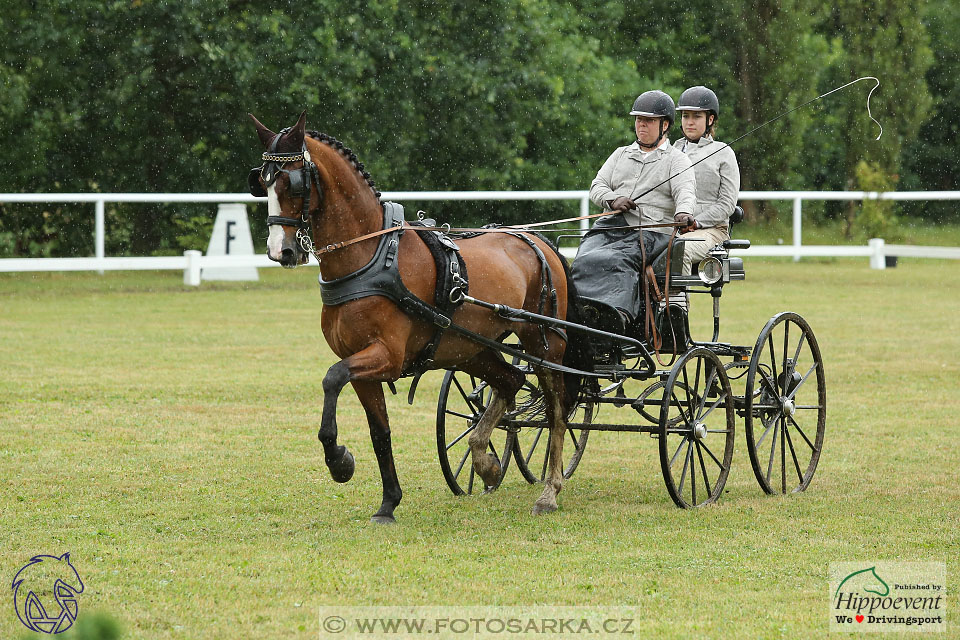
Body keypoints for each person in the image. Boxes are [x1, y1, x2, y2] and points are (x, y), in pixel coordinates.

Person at [571, 90, 697, 326]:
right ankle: (580, 311)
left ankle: (618, 315)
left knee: (617, 259)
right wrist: (612, 199)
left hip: (651, 232)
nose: (641, 125)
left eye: (648, 121)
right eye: (639, 120)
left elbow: (686, 192)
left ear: (665, 125)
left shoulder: (677, 160)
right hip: (611, 226)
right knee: (584, 258)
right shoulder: (620, 154)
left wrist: (683, 212)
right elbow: (597, 186)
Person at [673, 85, 741, 278]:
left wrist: (696, 222)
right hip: (671, 229)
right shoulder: (672, 150)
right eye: (686, 116)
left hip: (711, 231)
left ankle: (678, 306)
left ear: (710, 119)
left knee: (680, 249)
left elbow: (727, 203)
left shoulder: (723, 153)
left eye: (696, 117)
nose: (690, 122)